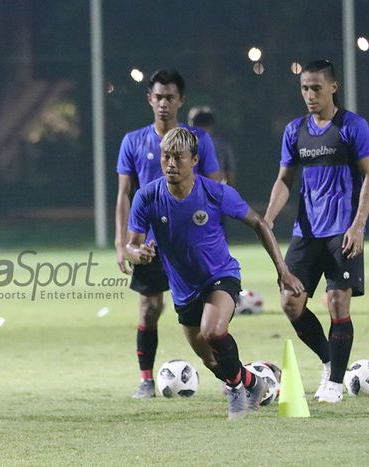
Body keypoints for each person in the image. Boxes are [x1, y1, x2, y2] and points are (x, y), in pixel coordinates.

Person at [126, 127, 304, 419]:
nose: (170, 164)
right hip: (184, 291)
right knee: (211, 360)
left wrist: (282, 271)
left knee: (213, 331)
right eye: (165, 157)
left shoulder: (214, 191)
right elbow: (130, 245)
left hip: (221, 276)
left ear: (194, 160)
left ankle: (236, 392)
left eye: (178, 158)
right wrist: (138, 254)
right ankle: (253, 382)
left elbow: (259, 223)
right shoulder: (148, 197)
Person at [263, 59, 369, 403]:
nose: (310, 95)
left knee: (338, 303)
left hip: (342, 232)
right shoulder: (294, 131)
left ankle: (334, 383)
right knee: (290, 303)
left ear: (333, 87)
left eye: (316, 88)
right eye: (304, 88)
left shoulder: (352, 126)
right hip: (306, 232)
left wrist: (358, 226)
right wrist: (268, 217)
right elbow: (284, 180)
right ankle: (331, 360)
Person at [115, 69, 221, 399]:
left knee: (208, 313)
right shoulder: (133, 141)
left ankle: (225, 372)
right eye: (158, 97)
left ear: (181, 101)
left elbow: (216, 188)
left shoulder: (198, 140)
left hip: (190, 244)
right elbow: (124, 195)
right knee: (149, 307)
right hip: (148, 242)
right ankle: (146, 379)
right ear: (149, 99)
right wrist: (123, 244)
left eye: (170, 97)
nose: (163, 103)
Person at [188, 106, 237, 185]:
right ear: (211, 124)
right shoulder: (222, 146)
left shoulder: (184, 146)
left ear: (192, 124)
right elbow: (230, 176)